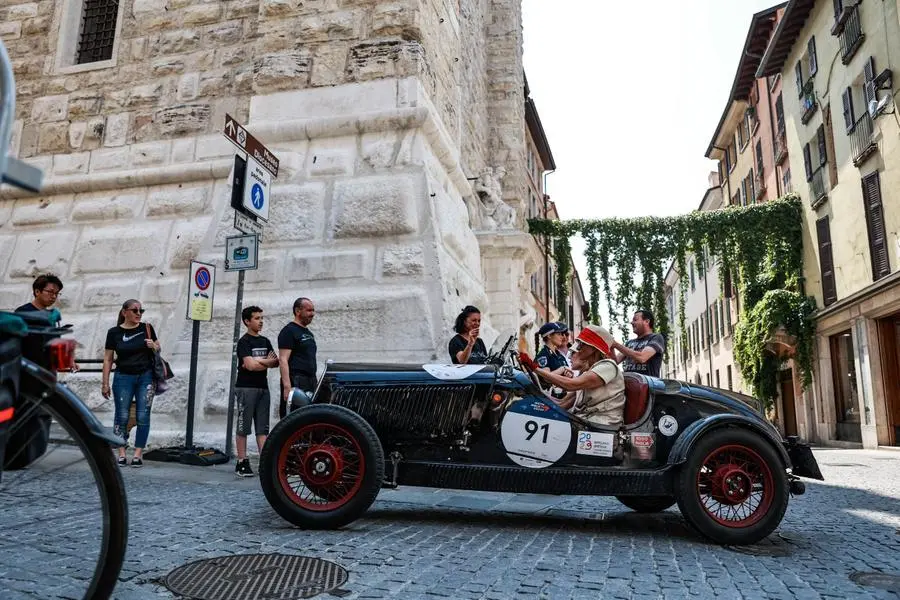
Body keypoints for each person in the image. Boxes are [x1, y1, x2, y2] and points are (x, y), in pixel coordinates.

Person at [102, 299, 160, 467]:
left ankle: (137, 454)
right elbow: (108, 359)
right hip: (123, 377)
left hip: (146, 377)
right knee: (122, 416)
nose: (138, 313)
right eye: (134, 310)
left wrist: (153, 346)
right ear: (124, 312)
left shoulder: (146, 328)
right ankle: (121, 452)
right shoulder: (114, 332)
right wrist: (104, 383)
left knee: (143, 415)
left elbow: (158, 347)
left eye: (141, 310)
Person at [539, 325, 626, 427]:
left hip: (603, 422)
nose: (579, 348)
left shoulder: (608, 366)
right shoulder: (591, 371)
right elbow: (561, 403)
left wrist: (535, 369)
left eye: (582, 344)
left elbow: (571, 384)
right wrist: (535, 397)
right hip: (587, 420)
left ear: (593, 348)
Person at [234, 306, 279, 477]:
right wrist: (263, 361)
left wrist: (257, 361)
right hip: (246, 388)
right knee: (243, 426)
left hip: (263, 388)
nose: (261, 321)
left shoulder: (265, 341)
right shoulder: (244, 342)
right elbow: (249, 366)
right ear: (247, 321)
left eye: (262, 318)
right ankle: (242, 462)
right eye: (257, 318)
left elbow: (275, 362)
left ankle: (264, 461)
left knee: (263, 428)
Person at [278, 297, 317, 419]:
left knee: (308, 417)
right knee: (293, 418)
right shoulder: (289, 331)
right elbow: (283, 359)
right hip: (296, 380)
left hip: (310, 380)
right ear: (298, 311)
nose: (312, 314)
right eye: (309, 310)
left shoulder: (309, 333)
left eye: (313, 310)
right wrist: (287, 387)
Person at [611, 309, 666, 378]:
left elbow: (642, 357)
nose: (631, 322)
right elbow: (614, 362)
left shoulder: (656, 338)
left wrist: (616, 345)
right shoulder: (629, 343)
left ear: (647, 321)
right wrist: (611, 346)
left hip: (648, 386)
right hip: (628, 384)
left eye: (635, 320)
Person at [533, 322, 571, 397]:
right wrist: (562, 369)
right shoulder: (543, 355)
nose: (562, 337)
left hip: (563, 395)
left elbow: (566, 373)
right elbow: (546, 378)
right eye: (559, 334)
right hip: (550, 398)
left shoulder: (559, 355)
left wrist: (568, 374)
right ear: (549, 336)